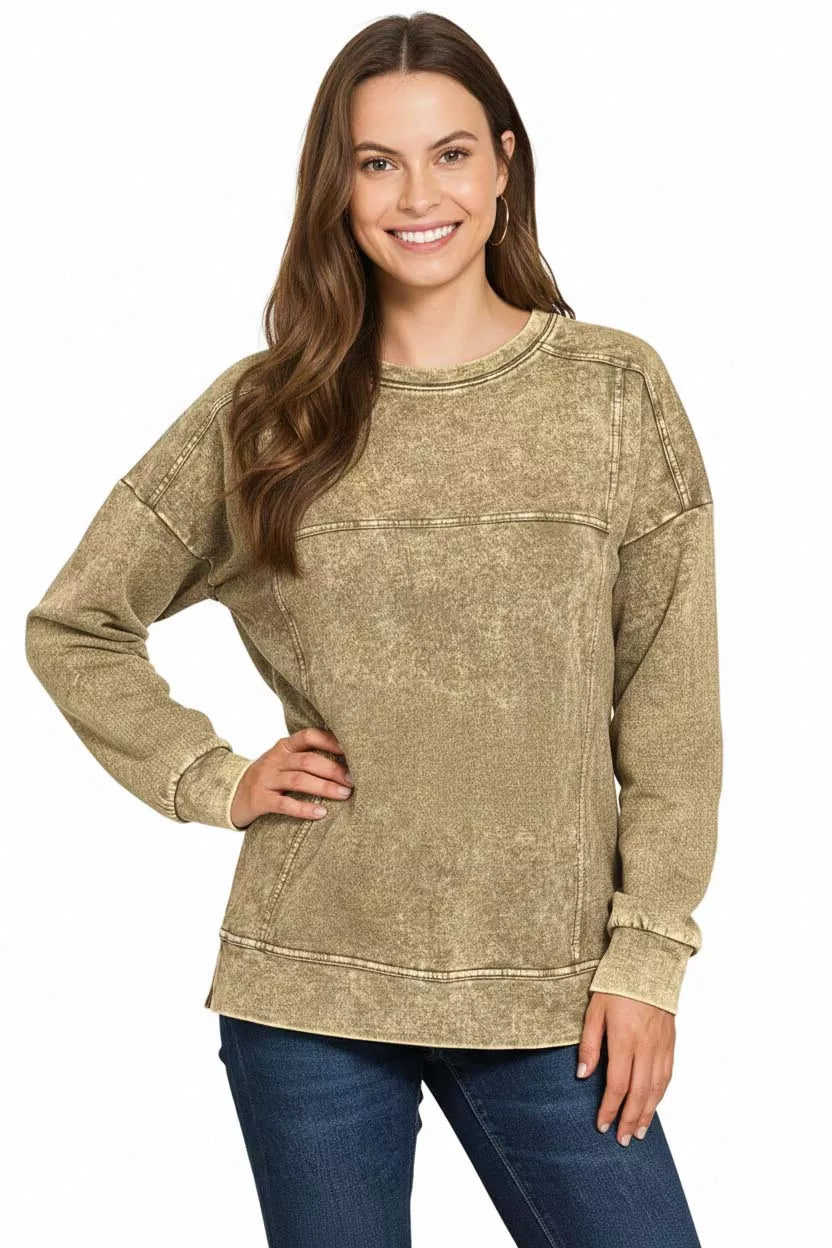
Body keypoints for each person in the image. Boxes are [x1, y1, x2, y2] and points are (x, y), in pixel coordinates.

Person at [24, 12, 722, 1248]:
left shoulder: (612, 392)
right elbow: (75, 623)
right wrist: (213, 777)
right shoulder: (265, 413)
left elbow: (670, 718)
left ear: (503, 164)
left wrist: (647, 958)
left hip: (551, 994)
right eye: (376, 163)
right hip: (310, 987)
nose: (417, 197)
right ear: (336, 187)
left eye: (450, 154)